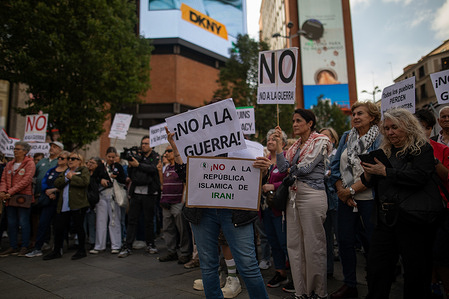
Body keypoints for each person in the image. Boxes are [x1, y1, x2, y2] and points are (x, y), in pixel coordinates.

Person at [165, 125, 270, 299]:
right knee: (208, 265)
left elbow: (255, 180)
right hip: (202, 213)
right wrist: (176, 149)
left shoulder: (247, 148)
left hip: (236, 213)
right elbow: (185, 175)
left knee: (248, 265)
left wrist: (264, 170)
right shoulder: (196, 145)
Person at [361, 108, 440, 299]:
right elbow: (373, 183)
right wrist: (369, 173)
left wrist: (386, 172)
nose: (390, 132)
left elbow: (420, 177)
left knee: (416, 271)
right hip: (385, 219)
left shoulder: (422, 148)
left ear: (408, 126)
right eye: (386, 128)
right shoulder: (384, 151)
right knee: (377, 269)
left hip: (413, 220)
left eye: (394, 127)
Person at [274, 108, 331, 299]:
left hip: (311, 195)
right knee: (295, 245)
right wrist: (279, 146)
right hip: (293, 196)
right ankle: (301, 291)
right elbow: (282, 167)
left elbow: (306, 168)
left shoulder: (321, 140)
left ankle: (318, 292)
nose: (295, 124)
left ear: (310, 123)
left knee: (314, 245)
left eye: (299, 121)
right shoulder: (295, 146)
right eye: (293, 121)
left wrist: (292, 169)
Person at [329, 101, 382, 298]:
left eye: (361, 113)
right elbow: (335, 168)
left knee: (371, 243)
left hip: (369, 199)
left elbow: (376, 172)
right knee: (344, 241)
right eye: (353, 113)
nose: (356, 116)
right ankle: (350, 284)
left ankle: (375, 285)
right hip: (345, 200)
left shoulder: (379, 137)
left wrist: (350, 190)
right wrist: (342, 191)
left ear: (372, 117)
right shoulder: (346, 137)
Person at [118, 136, 160, 257]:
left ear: (151, 145)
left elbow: (153, 169)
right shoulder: (136, 155)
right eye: (142, 143)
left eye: (146, 143)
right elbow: (131, 175)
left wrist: (138, 165)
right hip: (136, 193)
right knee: (132, 220)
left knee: (149, 220)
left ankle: (150, 244)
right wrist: (132, 166)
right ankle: (127, 246)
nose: (144, 146)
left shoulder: (155, 156)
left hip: (149, 193)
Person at [43, 152, 90, 260]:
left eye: (73, 158)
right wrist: (67, 178)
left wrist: (72, 178)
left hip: (77, 203)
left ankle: (81, 250)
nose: (70, 160)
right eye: (69, 158)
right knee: (59, 227)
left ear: (79, 161)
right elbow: (57, 183)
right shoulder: (66, 171)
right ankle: (57, 250)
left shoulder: (83, 170)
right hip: (64, 204)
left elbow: (85, 182)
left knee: (78, 227)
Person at [26, 151, 70, 257]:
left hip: (60, 202)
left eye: (62, 158)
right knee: (43, 223)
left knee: (58, 226)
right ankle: (38, 247)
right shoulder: (51, 170)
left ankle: (57, 246)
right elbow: (44, 182)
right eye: (59, 158)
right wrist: (47, 191)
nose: (59, 160)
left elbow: (66, 185)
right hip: (48, 201)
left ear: (68, 160)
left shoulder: (68, 172)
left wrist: (54, 190)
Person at [261, 129, 290, 289]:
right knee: (273, 242)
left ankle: (294, 274)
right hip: (266, 208)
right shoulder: (264, 160)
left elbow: (290, 179)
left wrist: (274, 185)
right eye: (269, 139)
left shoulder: (285, 159)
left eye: (275, 139)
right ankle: (280, 272)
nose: (270, 141)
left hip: (281, 209)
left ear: (283, 143)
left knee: (284, 241)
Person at [157, 145, 192, 264]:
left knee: (181, 229)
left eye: (169, 151)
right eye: (166, 151)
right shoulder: (166, 167)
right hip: (166, 202)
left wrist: (183, 200)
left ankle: (185, 253)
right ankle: (171, 251)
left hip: (177, 202)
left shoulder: (179, 167)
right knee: (168, 228)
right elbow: (163, 184)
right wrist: (159, 171)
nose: (166, 153)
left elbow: (184, 183)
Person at [0, 142, 36, 257]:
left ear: (25, 151)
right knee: (11, 223)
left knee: (23, 222)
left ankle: (24, 246)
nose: (15, 151)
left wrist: (9, 192)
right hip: (9, 198)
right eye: (14, 149)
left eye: (18, 149)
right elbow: (3, 179)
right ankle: (13, 246)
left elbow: (26, 181)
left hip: (23, 197)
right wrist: (2, 191)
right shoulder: (9, 164)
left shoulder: (29, 163)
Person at [90, 147, 126, 254]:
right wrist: (101, 180)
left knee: (114, 220)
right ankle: (99, 245)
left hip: (114, 195)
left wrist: (117, 177)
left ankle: (116, 245)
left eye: (113, 157)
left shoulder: (118, 167)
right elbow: (93, 178)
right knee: (101, 220)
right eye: (109, 157)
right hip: (102, 195)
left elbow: (123, 180)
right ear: (105, 156)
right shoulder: (101, 167)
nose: (111, 159)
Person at [319, 127, 340, 278]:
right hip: (322, 202)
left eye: (326, 137)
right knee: (325, 238)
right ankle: (328, 270)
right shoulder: (317, 157)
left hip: (337, 201)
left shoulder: (338, 155)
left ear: (333, 139)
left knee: (342, 237)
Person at [85, 157, 102, 249]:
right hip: (84, 200)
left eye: (93, 162)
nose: (90, 164)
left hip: (94, 201)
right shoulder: (84, 174)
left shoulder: (99, 175)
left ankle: (92, 241)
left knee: (92, 222)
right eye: (89, 162)